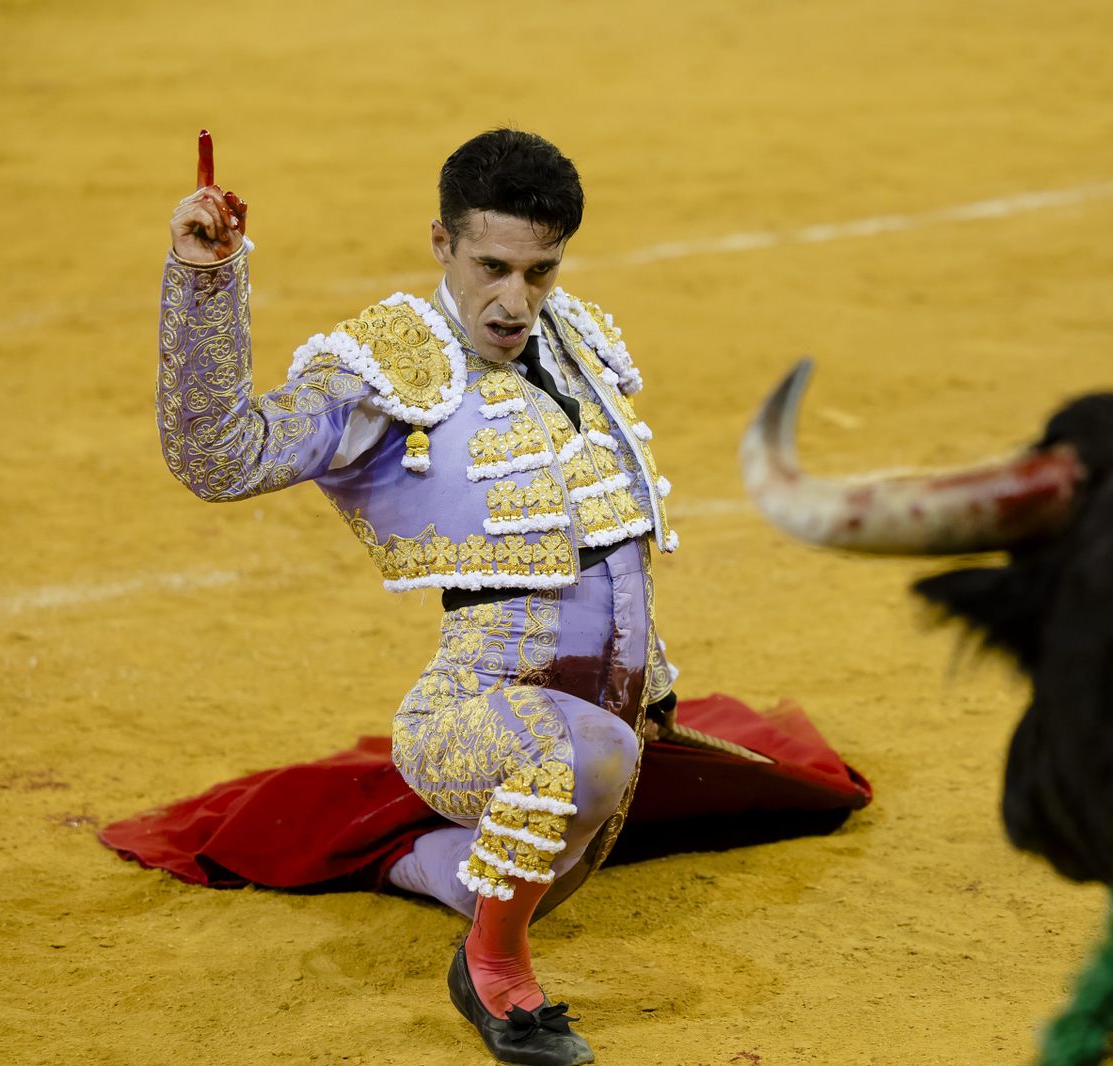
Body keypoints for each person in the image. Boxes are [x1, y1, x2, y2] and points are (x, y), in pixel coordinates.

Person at [161, 128, 682, 1066]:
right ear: (441, 243)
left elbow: (616, 545)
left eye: (540, 271)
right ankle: (492, 975)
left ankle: (396, 858)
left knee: (554, 836)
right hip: (466, 716)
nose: (514, 301)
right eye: (491, 266)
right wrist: (206, 282)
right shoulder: (385, 365)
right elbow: (220, 456)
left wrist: (663, 676)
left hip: (600, 725)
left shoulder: (578, 347)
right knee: (575, 761)